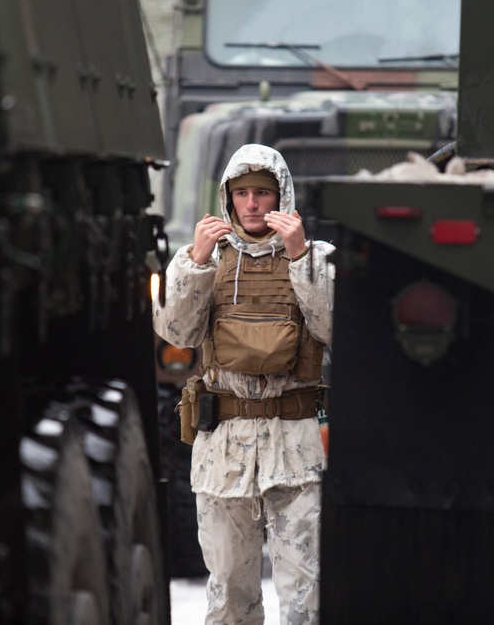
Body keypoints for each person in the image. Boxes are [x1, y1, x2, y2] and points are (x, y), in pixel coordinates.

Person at [154, 143, 334, 625]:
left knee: (307, 595)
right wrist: (196, 261)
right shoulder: (199, 262)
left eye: (263, 193)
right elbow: (176, 333)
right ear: (227, 199)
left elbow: (338, 329)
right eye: (242, 194)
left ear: (282, 198)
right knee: (230, 594)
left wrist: (300, 259)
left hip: (295, 447)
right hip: (224, 451)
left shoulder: (318, 260)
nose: (252, 204)